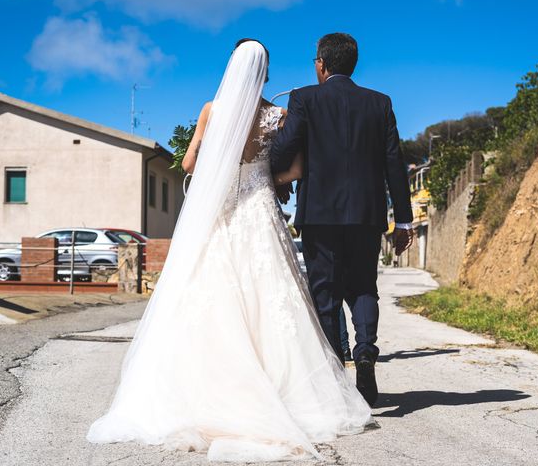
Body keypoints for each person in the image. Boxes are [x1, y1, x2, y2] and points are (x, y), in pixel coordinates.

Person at [86, 39, 373, 463]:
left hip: (221, 211)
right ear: (263, 72)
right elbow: (293, 168)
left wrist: (222, 170)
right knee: (271, 297)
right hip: (259, 208)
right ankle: (281, 392)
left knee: (212, 293)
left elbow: (187, 165)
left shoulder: (212, 110)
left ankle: (205, 391)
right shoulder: (277, 116)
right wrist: (266, 175)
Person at [270, 33, 414, 408]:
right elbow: (394, 164)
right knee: (364, 287)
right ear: (352, 63)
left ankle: (337, 378)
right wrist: (403, 221)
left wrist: (264, 172)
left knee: (326, 294)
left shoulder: (304, 98)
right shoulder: (380, 103)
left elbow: (286, 146)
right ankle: (365, 352)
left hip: (319, 214)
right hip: (367, 215)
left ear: (321, 64)